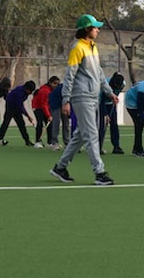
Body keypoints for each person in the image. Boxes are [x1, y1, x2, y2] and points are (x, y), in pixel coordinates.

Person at [49, 14, 118, 186]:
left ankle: (60, 167)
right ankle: (99, 172)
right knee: (92, 134)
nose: (98, 30)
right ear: (87, 29)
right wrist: (66, 100)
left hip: (93, 97)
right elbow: (70, 75)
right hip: (82, 97)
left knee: (80, 135)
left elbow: (99, 73)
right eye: (95, 27)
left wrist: (109, 92)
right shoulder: (77, 48)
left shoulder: (93, 47)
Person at [0, 80, 36, 146]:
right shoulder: (19, 92)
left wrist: (27, 116)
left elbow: (20, 105)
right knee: (6, 123)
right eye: (30, 91)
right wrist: (28, 116)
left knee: (21, 124)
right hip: (10, 107)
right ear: (27, 89)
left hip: (16, 107)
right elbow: (20, 106)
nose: (31, 93)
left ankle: (27, 140)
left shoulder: (25, 92)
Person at [99, 72, 126, 155]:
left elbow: (117, 93)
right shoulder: (104, 85)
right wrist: (105, 114)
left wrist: (114, 99)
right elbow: (102, 100)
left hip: (111, 104)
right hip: (100, 103)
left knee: (114, 124)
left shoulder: (123, 84)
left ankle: (116, 146)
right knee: (102, 125)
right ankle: (98, 147)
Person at [31, 76, 60, 148]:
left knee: (50, 125)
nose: (56, 85)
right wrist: (48, 115)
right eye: (54, 83)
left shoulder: (52, 90)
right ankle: (37, 142)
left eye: (57, 84)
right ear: (50, 83)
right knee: (40, 123)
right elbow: (44, 104)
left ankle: (49, 142)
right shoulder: (45, 91)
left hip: (44, 107)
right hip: (37, 107)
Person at [48, 82, 70, 151]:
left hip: (64, 103)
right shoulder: (67, 86)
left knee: (66, 123)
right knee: (56, 122)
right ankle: (54, 143)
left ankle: (67, 143)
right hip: (55, 103)